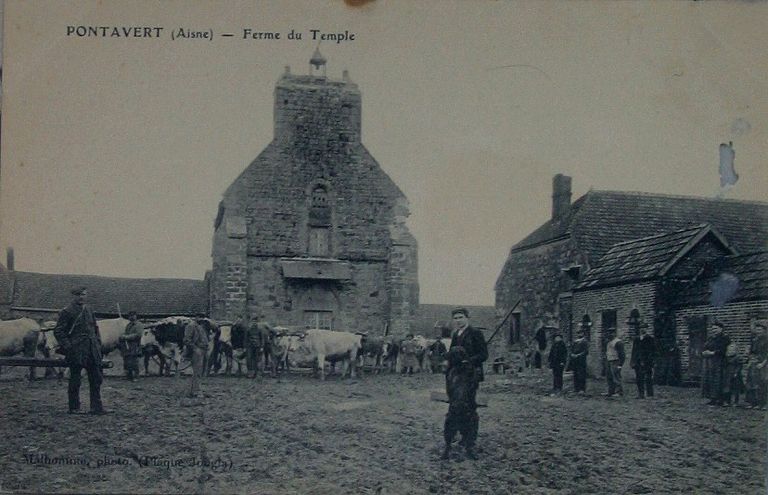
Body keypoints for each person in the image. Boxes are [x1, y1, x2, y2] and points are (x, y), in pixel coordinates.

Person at [53, 287, 107, 415]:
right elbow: (59, 331)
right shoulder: (67, 311)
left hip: (92, 350)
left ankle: (96, 407)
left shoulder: (88, 309)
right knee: (75, 379)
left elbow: (95, 328)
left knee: (96, 379)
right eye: (78, 295)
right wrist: (68, 347)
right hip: (76, 351)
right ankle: (74, 407)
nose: (81, 297)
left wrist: (98, 343)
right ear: (73, 296)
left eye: (83, 294)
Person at [448, 308, 488, 420]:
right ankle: (455, 428)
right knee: (455, 401)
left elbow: (484, 354)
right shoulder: (456, 334)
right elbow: (452, 352)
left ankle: (469, 431)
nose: (458, 320)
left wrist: (469, 361)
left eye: (461, 317)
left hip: (471, 374)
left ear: (467, 318)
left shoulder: (475, 333)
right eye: (455, 318)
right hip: (456, 375)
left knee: (469, 402)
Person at [441, 346, 479, 460]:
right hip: (462, 404)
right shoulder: (457, 371)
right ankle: (454, 448)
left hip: (463, 404)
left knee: (457, 424)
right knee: (467, 424)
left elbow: (471, 388)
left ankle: (464, 448)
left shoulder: (461, 371)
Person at [701, 320, 730, 406]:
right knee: (710, 379)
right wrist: (704, 352)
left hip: (720, 361)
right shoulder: (711, 338)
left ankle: (721, 399)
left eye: (716, 328)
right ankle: (713, 398)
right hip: (710, 362)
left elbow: (724, 350)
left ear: (721, 329)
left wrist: (713, 353)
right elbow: (705, 346)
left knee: (719, 380)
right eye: (713, 329)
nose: (714, 330)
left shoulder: (725, 338)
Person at [183, 317, 209, 398]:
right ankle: (195, 391)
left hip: (203, 351)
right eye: (199, 315)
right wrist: (195, 349)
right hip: (196, 352)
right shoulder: (191, 326)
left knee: (200, 372)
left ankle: (196, 390)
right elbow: (187, 340)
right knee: (197, 372)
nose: (201, 317)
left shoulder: (200, 326)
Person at [630, 322, 656, 399]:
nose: (642, 329)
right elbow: (634, 351)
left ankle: (650, 394)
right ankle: (641, 394)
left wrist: (650, 361)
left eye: (644, 328)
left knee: (648, 377)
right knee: (639, 378)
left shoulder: (650, 339)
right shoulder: (636, 339)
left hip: (647, 361)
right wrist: (632, 361)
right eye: (641, 328)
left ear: (647, 329)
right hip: (638, 361)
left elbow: (653, 351)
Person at [745, 326, 767, 410]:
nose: (758, 331)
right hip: (754, 362)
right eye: (757, 330)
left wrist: (763, 363)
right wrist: (750, 360)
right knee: (751, 382)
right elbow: (751, 352)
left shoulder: (766, 340)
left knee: (762, 383)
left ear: (764, 331)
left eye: (760, 330)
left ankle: (763, 403)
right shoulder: (754, 340)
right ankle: (753, 402)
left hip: (763, 363)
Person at [119, 311, 143, 382]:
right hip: (127, 345)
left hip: (135, 345)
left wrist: (126, 337)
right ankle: (129, 376)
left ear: (136, 316)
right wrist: (122, 336)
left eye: (133, 315)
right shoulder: (128, 325)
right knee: (127, 360)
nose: (131, 317)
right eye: (130, 316)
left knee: (134, 361)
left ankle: (136, 376)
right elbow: (125, 333)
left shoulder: (139, 325)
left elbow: (138, 335)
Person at [604, 329, 625, 398]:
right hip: (609, 360)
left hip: (615, 361)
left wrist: (620, 365)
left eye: (611, 333)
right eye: (609, 333)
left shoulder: (618, 342)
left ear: (614, 333)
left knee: (616, 377)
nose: (610, 334)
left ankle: (619, 392)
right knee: (609, 377)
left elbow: (622, 354)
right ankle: (610, 391)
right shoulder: (608, 342)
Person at [569, 328, 589, 395]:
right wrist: (572, 354)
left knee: (581, 375)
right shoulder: (575, 341)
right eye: (578, 333)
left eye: (581, 333)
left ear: (583, 333)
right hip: (575, 360)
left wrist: (578, 355)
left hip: (581, 361)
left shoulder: (585, 341)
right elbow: (571, 350)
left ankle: (582, 389)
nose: (579, 334)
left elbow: (586, 351)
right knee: (575, 374)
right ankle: (576, 389)